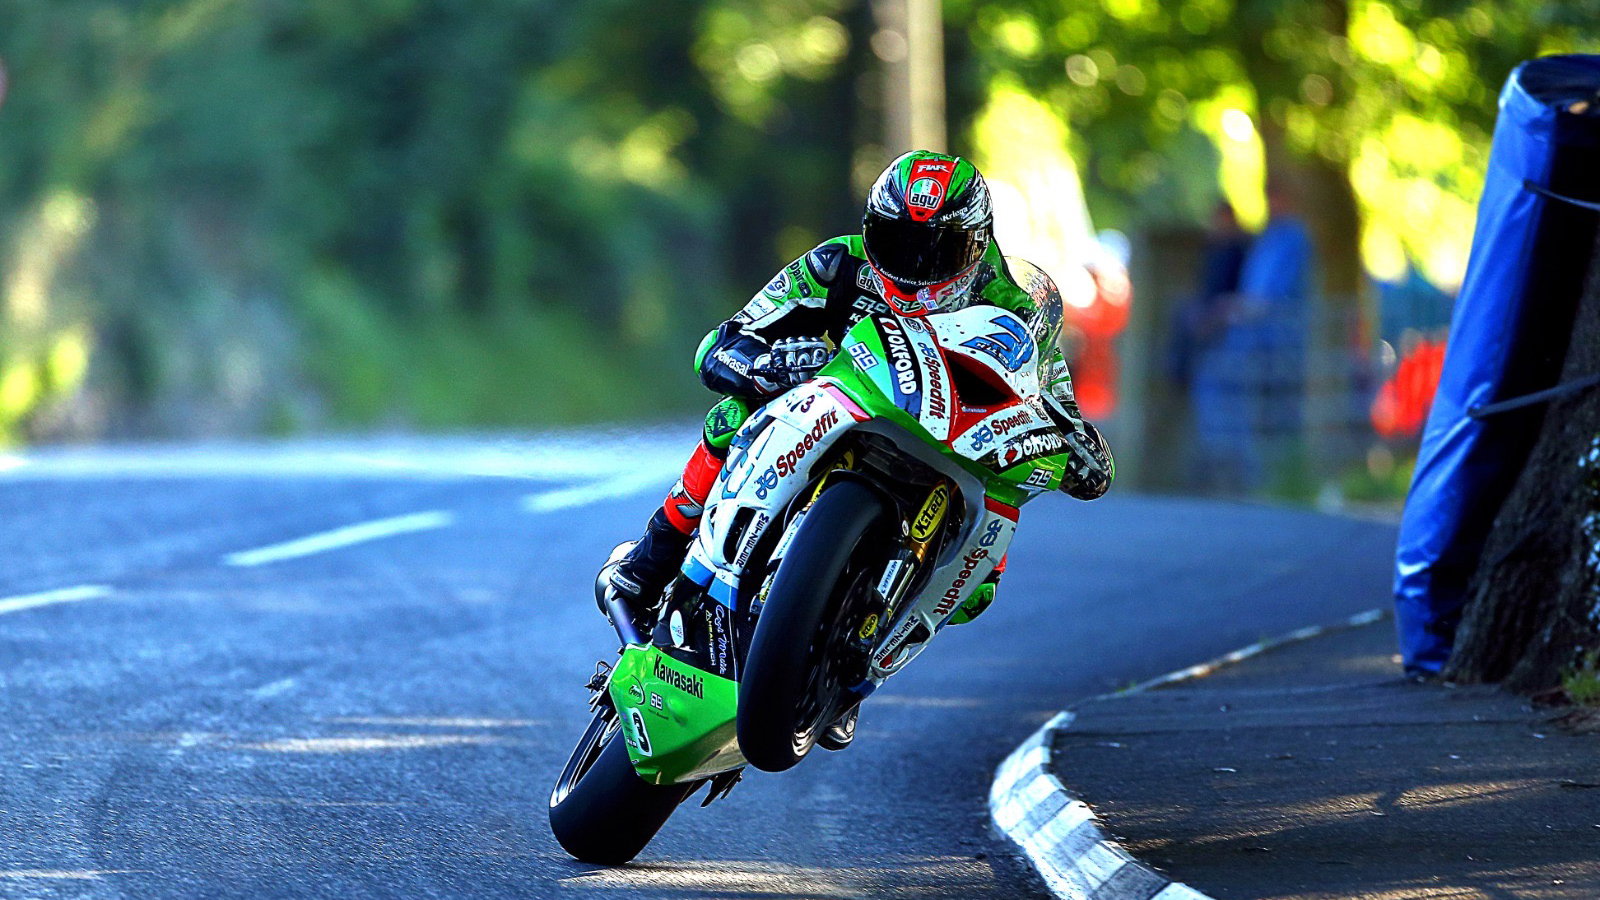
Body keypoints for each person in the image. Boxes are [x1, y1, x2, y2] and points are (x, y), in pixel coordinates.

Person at [599, 150, 1115, 640]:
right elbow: (722, 344)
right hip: (839, 407)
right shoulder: (839, 264)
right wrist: (764, 365)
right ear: (871, 231)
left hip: (954, 445)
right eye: (897, 242)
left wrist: (1079, 448)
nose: (915, 265)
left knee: (978, 592)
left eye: (939, 250)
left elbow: (1054, 402)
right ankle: (653, 556)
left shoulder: (1011, 303)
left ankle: (858, 653)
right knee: (730, 417)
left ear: (978, 247)